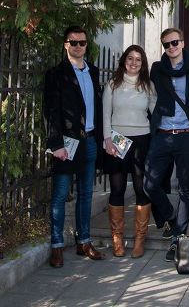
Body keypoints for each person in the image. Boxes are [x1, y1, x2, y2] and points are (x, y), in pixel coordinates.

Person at [143, 27, 189, 261]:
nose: (171, 48)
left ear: (182, 43)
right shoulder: (157, 69)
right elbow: (145, 93)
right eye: (166, 45)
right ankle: (171, 218)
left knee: (185, 189)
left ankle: (178, 238)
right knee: (149, 184)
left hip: (186, 135)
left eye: (174, 43)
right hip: (162, 134)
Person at [44, 25, 105, 268]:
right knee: (59, 195)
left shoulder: (93, 72)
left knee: (86, 194)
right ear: (66, 44)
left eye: (82, 42)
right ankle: (57, 245)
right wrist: (55, 144)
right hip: (66, 144)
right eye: (74, 42)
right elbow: (50, 111)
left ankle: (84, 241)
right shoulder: (56, 74)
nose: (78, 46)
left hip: (89, 141)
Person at [103, 45, 156, 258]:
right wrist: (107, 139)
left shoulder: (148, 86)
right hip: (117, 140)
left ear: (143, 64)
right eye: (130, 58)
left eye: (138, 60)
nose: (134, 63)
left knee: (141, 187)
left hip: (142, 140)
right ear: (124, 60)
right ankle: (117, 239)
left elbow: (156, 113)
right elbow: (106, 114)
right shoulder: (112, 85)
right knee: (117, 189)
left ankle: (139, 240)